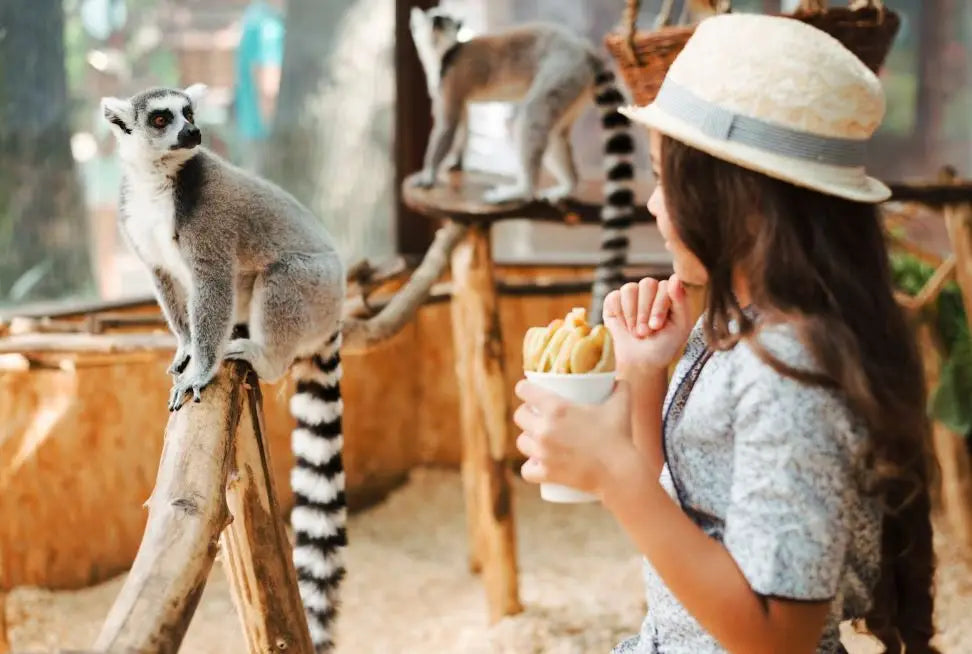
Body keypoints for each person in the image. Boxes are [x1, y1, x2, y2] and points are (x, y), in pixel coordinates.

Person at [513, 13, 937, 654]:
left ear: (740, 198)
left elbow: (780, 638)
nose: (653, 205)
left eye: (664, 180)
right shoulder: (736, 329)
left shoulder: (794, 372)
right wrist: (645, 373)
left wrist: (614, 474)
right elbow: (684, 510)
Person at [234, 0, 286, 172]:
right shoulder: (268, 27)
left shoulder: (256, 12)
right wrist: (276, 142)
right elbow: (268, 90)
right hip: (264, 137)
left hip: (249, 130)